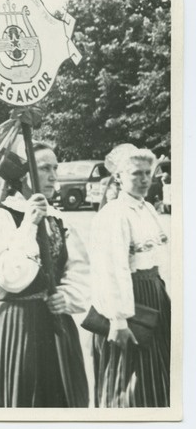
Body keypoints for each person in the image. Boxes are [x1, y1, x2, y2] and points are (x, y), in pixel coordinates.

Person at [0, 141, 89, 407]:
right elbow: (10, 278)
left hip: (54, 321)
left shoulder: (58, 218)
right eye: (44, 168)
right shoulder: (0, 218)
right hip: (17, 324)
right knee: (25, 398)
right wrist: (29, 223)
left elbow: (79, 267)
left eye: (55, 168)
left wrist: (67, 296)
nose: (53, 175)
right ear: (24, 174)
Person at [89, 144, 170, 407]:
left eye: (149, 173)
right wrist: (119, 319)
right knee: (128, 374)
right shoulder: (114, 214)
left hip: (153, 295)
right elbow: (113, 268)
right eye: (137, 174)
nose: (145, 179)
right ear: (120, 177)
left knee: (156, 371)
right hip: (131, 301)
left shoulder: (146, 208)